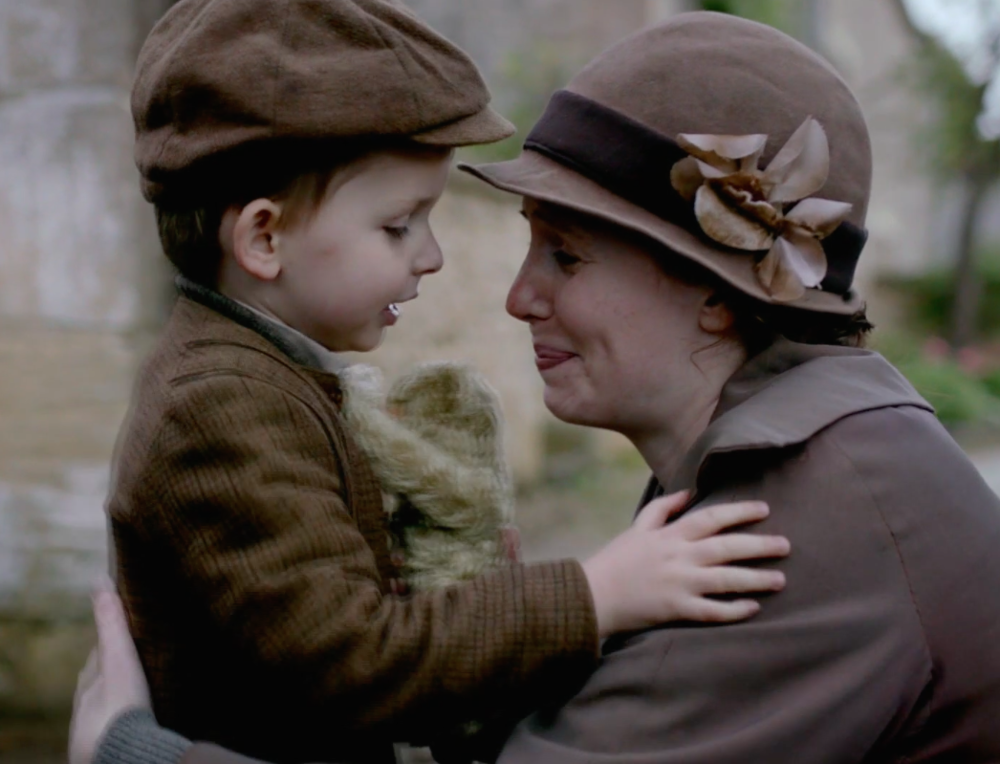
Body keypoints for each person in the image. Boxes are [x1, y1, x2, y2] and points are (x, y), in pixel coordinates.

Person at [77, 9, 1000, 764]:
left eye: (565, 254)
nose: (516, 298)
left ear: (715, 297)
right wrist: (507, 636)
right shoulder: (808, 455)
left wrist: (129, 752)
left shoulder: (798, 521)